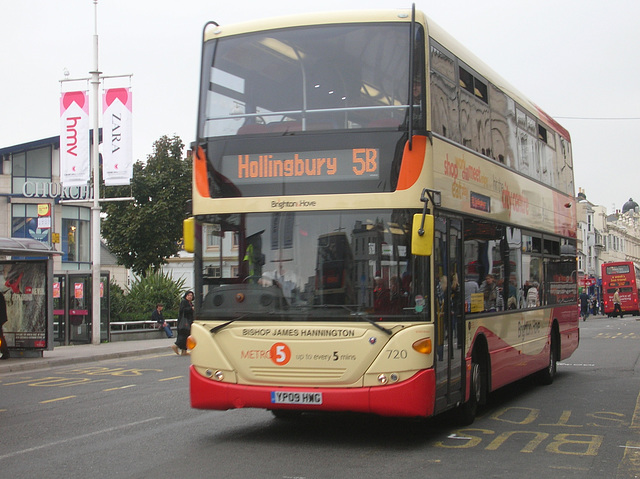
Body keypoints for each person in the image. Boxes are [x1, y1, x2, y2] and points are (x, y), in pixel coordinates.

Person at [172, 291, 194, 356]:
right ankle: (176, 346)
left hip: (188, 322)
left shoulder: (190, 303)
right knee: (183, 336)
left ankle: (184, 351)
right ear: (186, 296)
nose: (190, 297)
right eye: (188, 295)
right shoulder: (184, 302)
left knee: (187, 336)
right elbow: (183, 310)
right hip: (184, 322)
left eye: (191, 295)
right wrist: (191, 309)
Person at [0, 291, 9, 360]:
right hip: (1, 318)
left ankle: (5, 352)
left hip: (0, 318)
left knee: (0, 336)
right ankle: (5, 352)